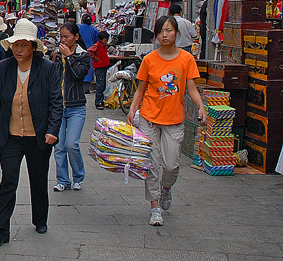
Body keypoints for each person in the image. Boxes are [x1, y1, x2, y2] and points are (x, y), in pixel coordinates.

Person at [0, 19, 62, 247]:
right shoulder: (3, 68)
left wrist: (52, 131)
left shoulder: (47, 69)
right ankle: (1, 229)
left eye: (24, 45)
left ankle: (40, 219)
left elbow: (56, 102)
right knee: (8, 180)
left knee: (38, 179)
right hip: (9, 136)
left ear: (33, 47)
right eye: (16, 45)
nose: (19, 50)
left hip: (38, 135)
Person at [127, 15, 207, 227]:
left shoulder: (186, 59)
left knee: (171, 166)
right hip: (149, 118)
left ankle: (166, 189)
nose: (165, 34)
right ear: (156, 34)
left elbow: (191, 89)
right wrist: (133, 109)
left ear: (177, 34)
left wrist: (201, 107)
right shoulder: (149, 60)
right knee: (151, 164)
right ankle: (154, 208)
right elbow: (141, 90)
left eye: (169, 30)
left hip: (174, 120)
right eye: (161, 31)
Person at [52, 22, 92, 192]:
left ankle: (78, 176)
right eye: (61, 37)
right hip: (58, 106)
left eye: (66, 37)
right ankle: (62, 179)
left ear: (76, 37)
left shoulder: (83, 55)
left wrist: (68, 57)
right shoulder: (56, 54)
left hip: (76, 106)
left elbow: (78, 76)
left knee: (71, 144)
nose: (63, 40)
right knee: (59, 145)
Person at [88, 30, 112, 110]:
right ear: (100, 40)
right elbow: (90, 51)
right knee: (99, 85)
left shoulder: (104, 46)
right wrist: (96, 59)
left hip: (104, 66)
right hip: (99, 67)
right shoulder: (97, 45)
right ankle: (98, 102)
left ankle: (101, 101)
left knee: (103, 85)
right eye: (105, 40)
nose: (106, 42)